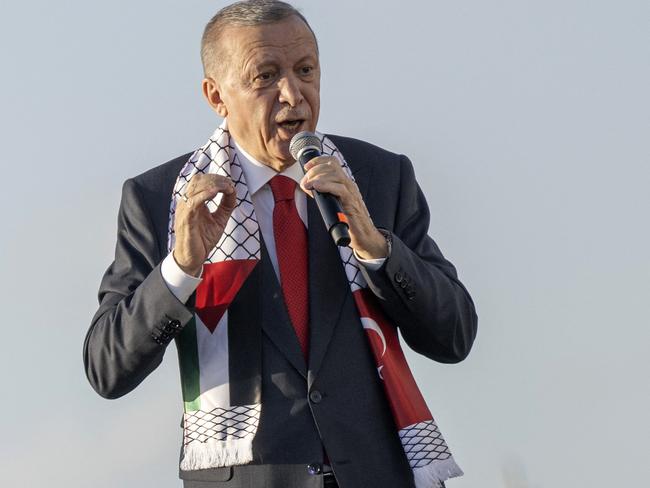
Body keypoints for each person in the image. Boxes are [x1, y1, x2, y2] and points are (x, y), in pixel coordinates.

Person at [83, 1, 478, 487]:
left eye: (305, 70)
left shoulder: (377, 177)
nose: (293, 94)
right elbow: (107, 368)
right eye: (265, 76)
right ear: (216, 95)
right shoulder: (159, 198)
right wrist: (182, 268)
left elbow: (454, 336)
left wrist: (376, 246)